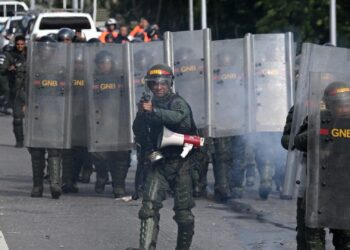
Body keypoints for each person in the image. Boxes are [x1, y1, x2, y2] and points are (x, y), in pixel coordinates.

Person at [128, 64, 197, 250]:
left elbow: (177, 118)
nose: (158, 87)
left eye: (162, 83)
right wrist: (143, 115)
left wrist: (153, 111)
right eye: (154, 84)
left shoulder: (177, 102)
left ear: (169, 83)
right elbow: (139, 131)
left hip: (182, 162)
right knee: (148, 209)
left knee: (184, 215)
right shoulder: (148, 104)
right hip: (159, 163)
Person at [294, 81, 350, 249]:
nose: (345, 109)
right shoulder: (317, 119)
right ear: (330, 105)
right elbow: (298, 142)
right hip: (318, 192)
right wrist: (318, 130)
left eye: (348, 105)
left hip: (346, 194)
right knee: (312, 243)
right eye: (341, 106)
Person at [89, 50, 131, 198]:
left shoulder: (121, 77)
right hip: (100, 121)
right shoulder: (92, 78)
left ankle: (118, 186)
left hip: (119, 120)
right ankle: (102, 175)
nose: (104, 66)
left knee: (120, 154)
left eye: (106, 63)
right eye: (101, 63)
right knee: (98, 153)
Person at [27, 36, 64, 199]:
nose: (44, 52)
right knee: (36, 150)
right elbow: (23, 86)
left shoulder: (60, 68)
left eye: (47, 49)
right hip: (36, 111)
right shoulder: (32, 65)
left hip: (54, 111)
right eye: (42, 49)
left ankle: (55, 184)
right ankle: (37, 185)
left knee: (54, 149)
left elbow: (67, 89)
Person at [1, 35, 26, 147]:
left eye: (22, 44)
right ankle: (20, 140)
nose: (20, 46)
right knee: (17, 118)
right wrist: (8, 68)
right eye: (18, 44)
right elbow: (2, 69)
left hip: (31, 90)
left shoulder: (31, 54)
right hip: (17, 90)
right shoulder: (10, 55)